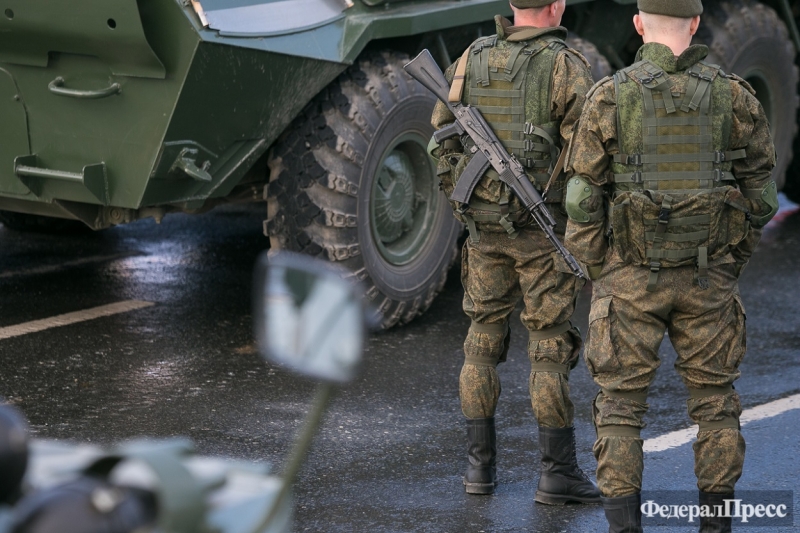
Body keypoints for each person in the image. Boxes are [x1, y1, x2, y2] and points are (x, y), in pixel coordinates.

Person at [563, 0, 778, 530]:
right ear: (697, 23)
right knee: (716, 403)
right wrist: (731, 262)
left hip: (629, 278)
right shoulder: (735, 97)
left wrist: (600, 272)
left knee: (618, 409)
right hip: (709, 278)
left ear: (639, 25)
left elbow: (581, 200)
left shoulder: (611, 96)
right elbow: (763, 197)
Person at [430, 0, 599, 503]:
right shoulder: (566, 67)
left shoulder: (469, 59)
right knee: (548, 348)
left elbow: (439, 135)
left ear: (510, 5)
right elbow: (590, 158)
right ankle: (557, 474)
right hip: (543, 236)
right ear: (558, 5)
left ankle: (478, 472)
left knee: (481, 340)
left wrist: (466, 200)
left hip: (483, 233)